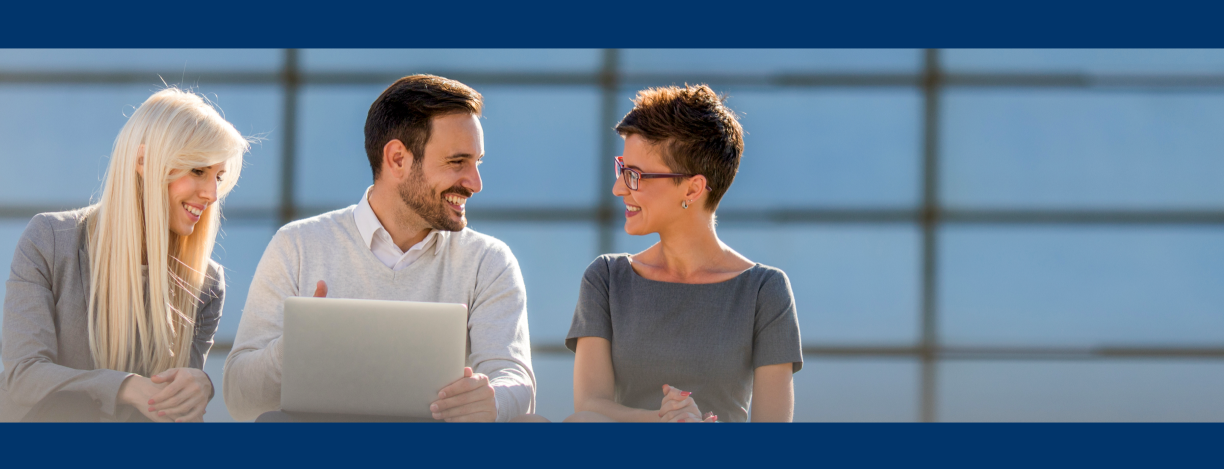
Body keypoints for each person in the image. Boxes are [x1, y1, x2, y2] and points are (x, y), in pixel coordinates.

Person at [224, 74, 539, 422]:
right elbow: (240, 401)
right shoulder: (297, 245)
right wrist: (294, 350)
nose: (475, 183)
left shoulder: (488, 261)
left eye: (477, 162)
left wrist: (491, 400)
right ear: (398, 159)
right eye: (457, 162)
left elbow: (514, 379)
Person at [0, 88, 249, 422]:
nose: (212, 193)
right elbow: (25, 376)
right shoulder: (50, 241)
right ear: (143, 162)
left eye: (219, 177)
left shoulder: (205, 284)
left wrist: (195, 386)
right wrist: (125, 386)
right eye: (198, 171)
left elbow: (167, 415)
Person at [565, 84, 802, 423]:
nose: (619, 187)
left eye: (635, 176)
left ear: (692, 188)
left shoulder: (765, 291)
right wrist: (667, 422)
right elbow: (589, 409)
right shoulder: (605, 278)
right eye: (622, 169)